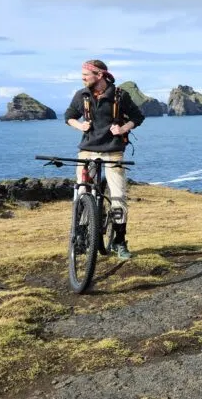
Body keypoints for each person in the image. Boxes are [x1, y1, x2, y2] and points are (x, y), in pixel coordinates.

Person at [64, 59, 145, 260]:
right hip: (87, 151)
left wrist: (123, 129)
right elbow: (69, 116)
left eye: (86, 75)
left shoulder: (120, 95)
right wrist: (80, 126)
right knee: (82, 192)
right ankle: (80, 235)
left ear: (99, 75)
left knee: (118, 197)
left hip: (113, 151)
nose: (82, 78)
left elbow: (138, 117)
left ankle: (119, 241)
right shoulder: (81, 95)